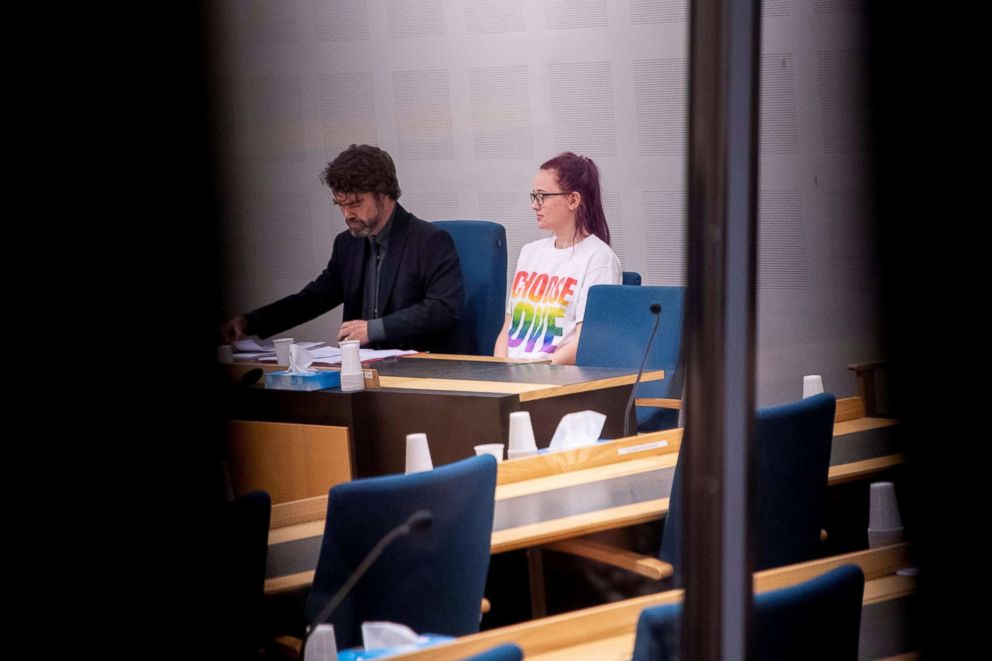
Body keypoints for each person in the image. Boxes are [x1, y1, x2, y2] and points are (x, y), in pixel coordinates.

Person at [220, 144, 466, 353]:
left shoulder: (429, 241)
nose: (348, 214)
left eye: (356, 204)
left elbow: (441, 310)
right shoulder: (347, 244)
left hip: (416, 371)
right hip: (361, 373)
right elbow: (313, 299)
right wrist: (249, 322)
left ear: (384, 194)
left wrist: (374, 329)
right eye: (341, 205)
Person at [493, 152, 621, 365]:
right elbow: (508, 328)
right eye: (534, 196)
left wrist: (537, 373)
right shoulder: (529, 252)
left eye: (542, 196)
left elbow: (586, 341)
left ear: (573, 200)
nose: (535, 205)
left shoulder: (599, 259)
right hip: (513, 377)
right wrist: (499, 369)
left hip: (557, 381)